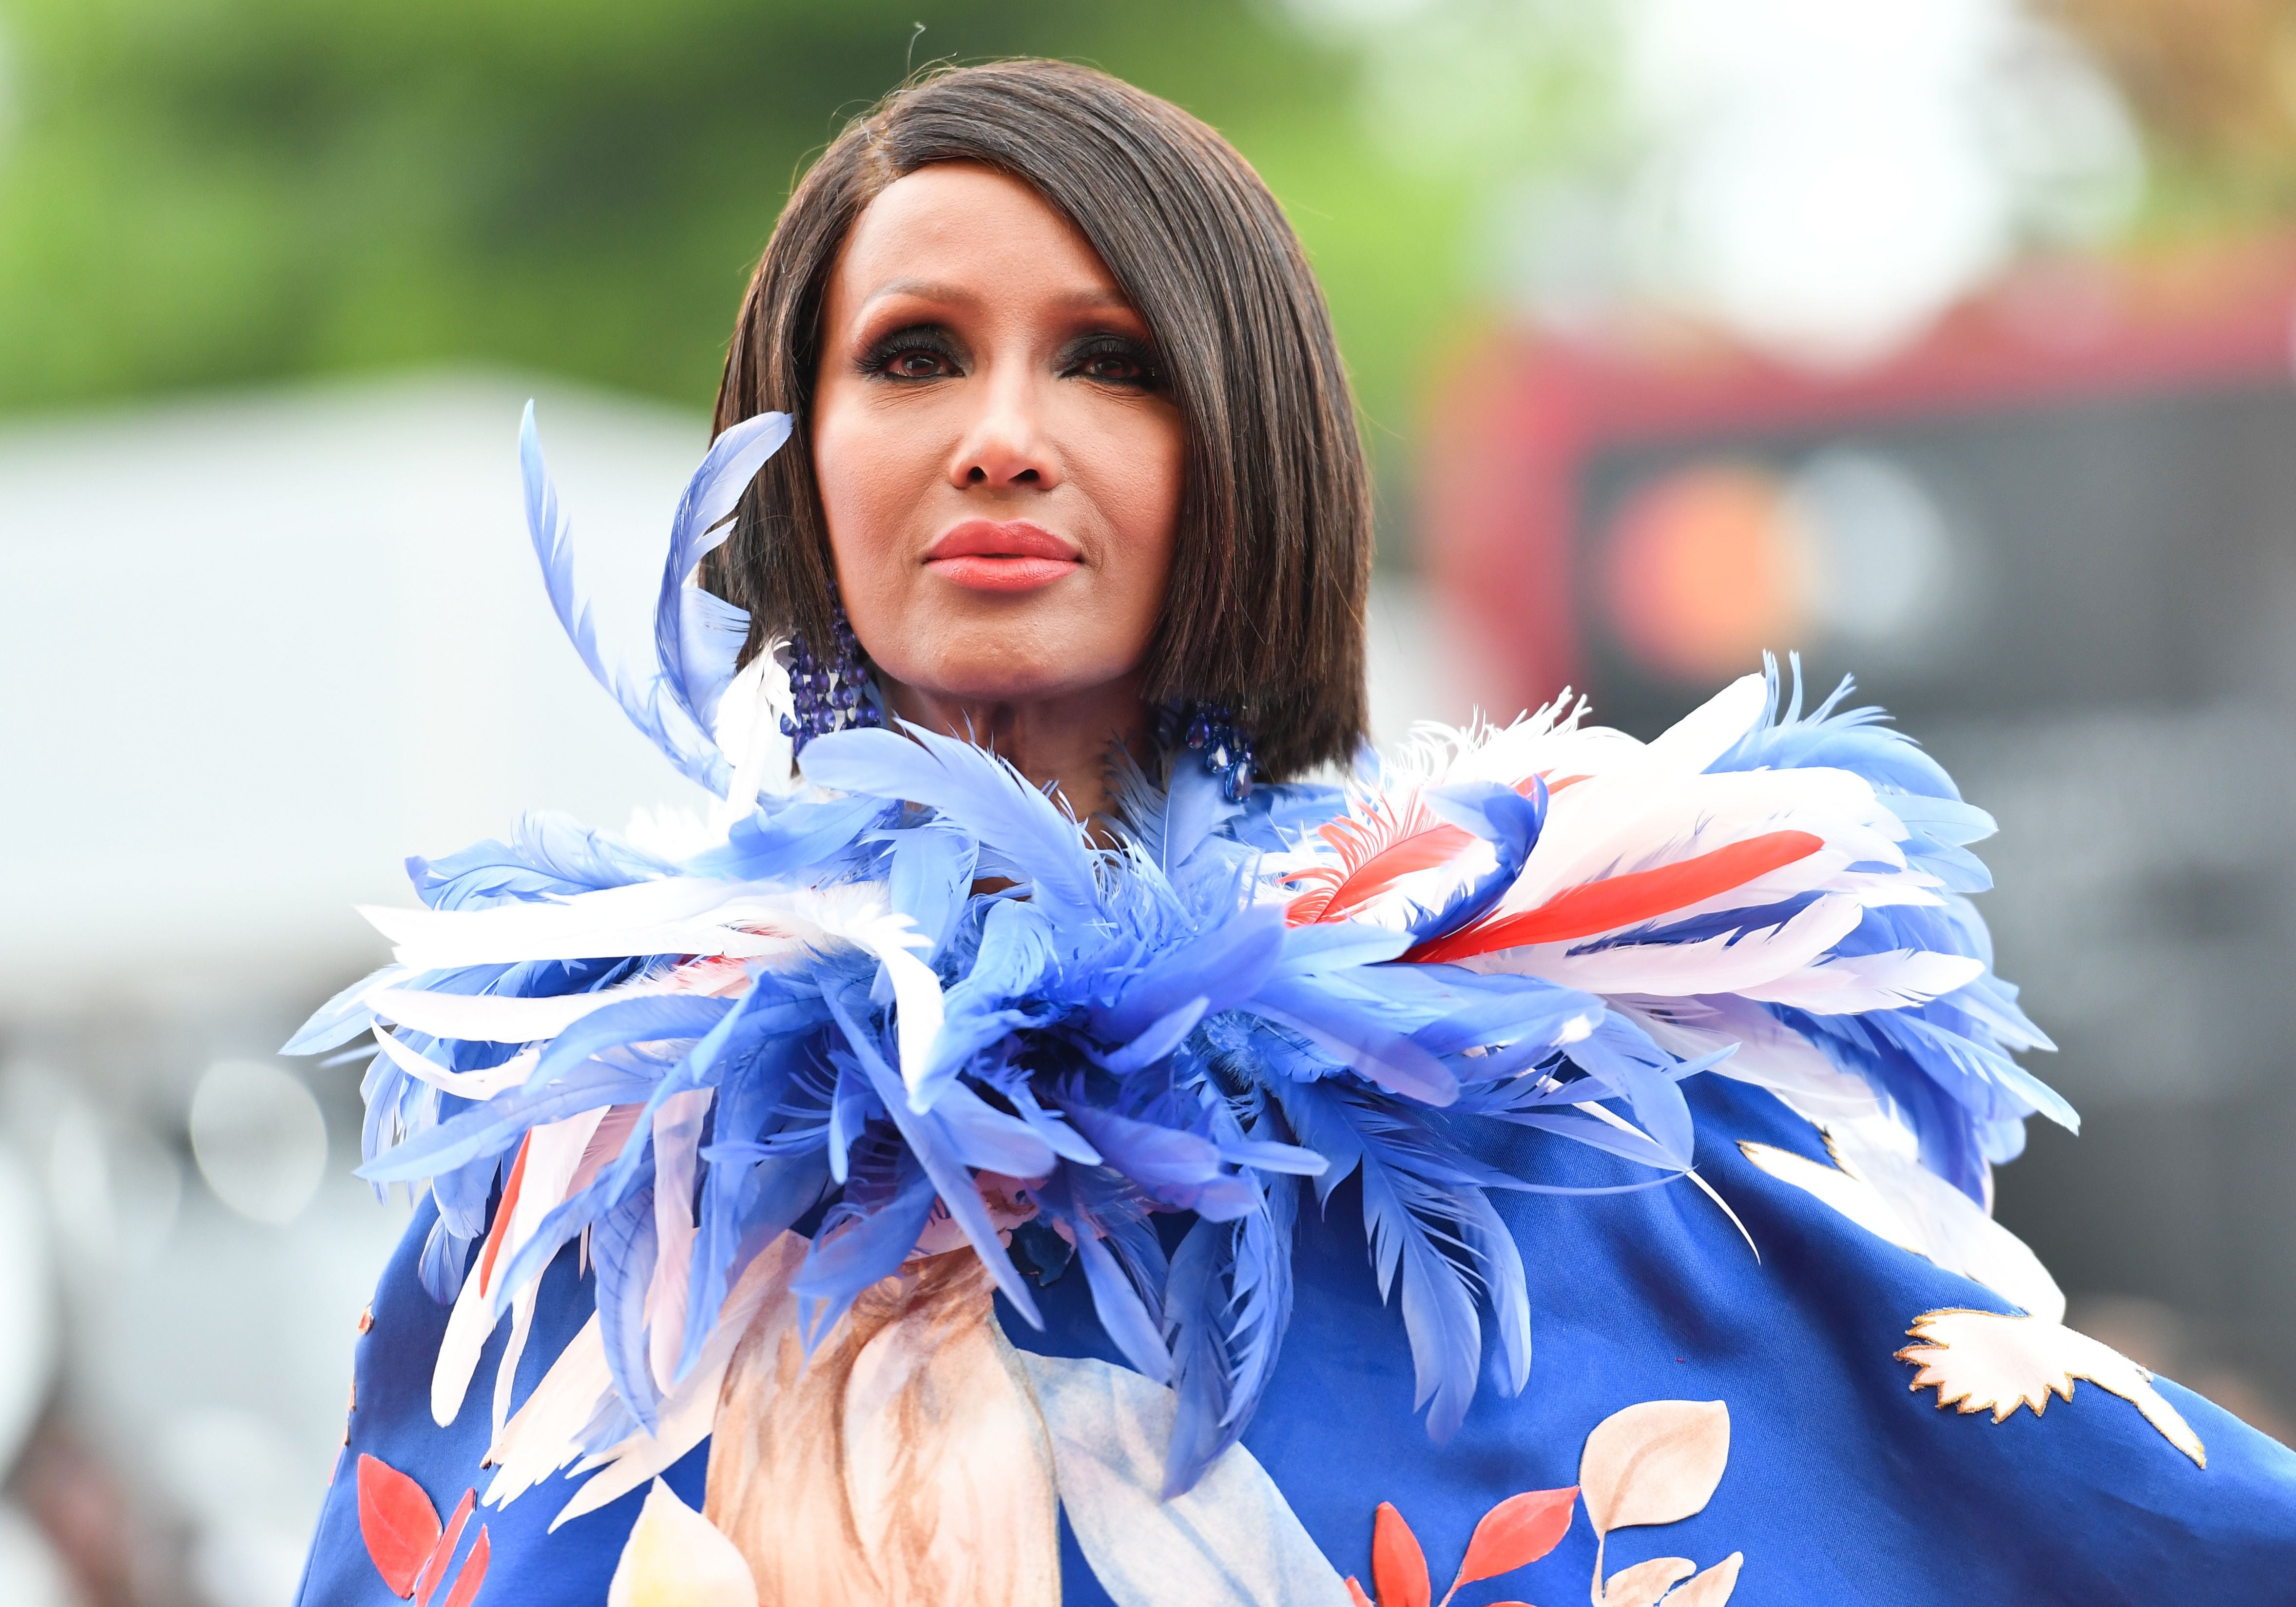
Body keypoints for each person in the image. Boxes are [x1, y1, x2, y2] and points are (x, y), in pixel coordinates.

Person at [289, 59, 2296, 1607]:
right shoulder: (579, 1174)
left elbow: (2074, 1515)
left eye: (1110, 360)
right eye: (911, 353)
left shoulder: (1540, 1096)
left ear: (1243, 449)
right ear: (793, 461)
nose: (1000, 430)